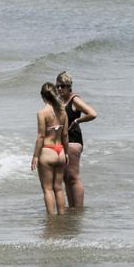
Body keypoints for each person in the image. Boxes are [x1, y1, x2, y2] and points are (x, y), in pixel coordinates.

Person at [56, 72, 95, 209]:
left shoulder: (74, 100)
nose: (60, 89)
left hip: (73, 140)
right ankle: (72, 208)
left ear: (69, 87)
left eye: (63, 86)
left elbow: (92, 113)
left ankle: (78, 209)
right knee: (66, 178)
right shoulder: (59, 100)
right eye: (58, 86)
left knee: (73, 177)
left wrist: (78, 120)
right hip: (62, 141)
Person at [32, 82, 69, 215]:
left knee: (47, 189)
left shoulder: (42, 113)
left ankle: (52, 221)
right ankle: (62, 217)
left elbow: (41, 136)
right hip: (60, 151)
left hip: (47, 151)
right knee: (59, 189)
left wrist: (35, 156)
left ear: (43, 96)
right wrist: (67, 153)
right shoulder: (63, 112)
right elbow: (65, 134)